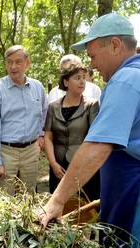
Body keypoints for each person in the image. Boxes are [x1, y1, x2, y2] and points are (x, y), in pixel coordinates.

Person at [40, 13, 140, 248]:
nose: (92, 65)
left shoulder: (125, 81)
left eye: (93, 56)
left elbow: (98, 146)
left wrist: (56, 201)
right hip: (126, 187)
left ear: (115, 45)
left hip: (134, 196)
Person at [0, 45, 47, 193]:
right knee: (6, 198)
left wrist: (41, 134)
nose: (13, 66)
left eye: (18, 62)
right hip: (6, 151)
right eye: (9, 62)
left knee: (30, 194)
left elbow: (44, 112)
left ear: (27, 63)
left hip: (31, 151)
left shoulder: (37, 87)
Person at [44, 61, 100, 201]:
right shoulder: (53, 107)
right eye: (77, 78)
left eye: (83, 77)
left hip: (84, 166)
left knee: (86, 207)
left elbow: (94, 139)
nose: (82, 81)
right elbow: (48, 137)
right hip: (59, 168)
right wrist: (53, 163)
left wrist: (84, 164)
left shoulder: (91, 105)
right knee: (58, 206)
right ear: (66, 82)